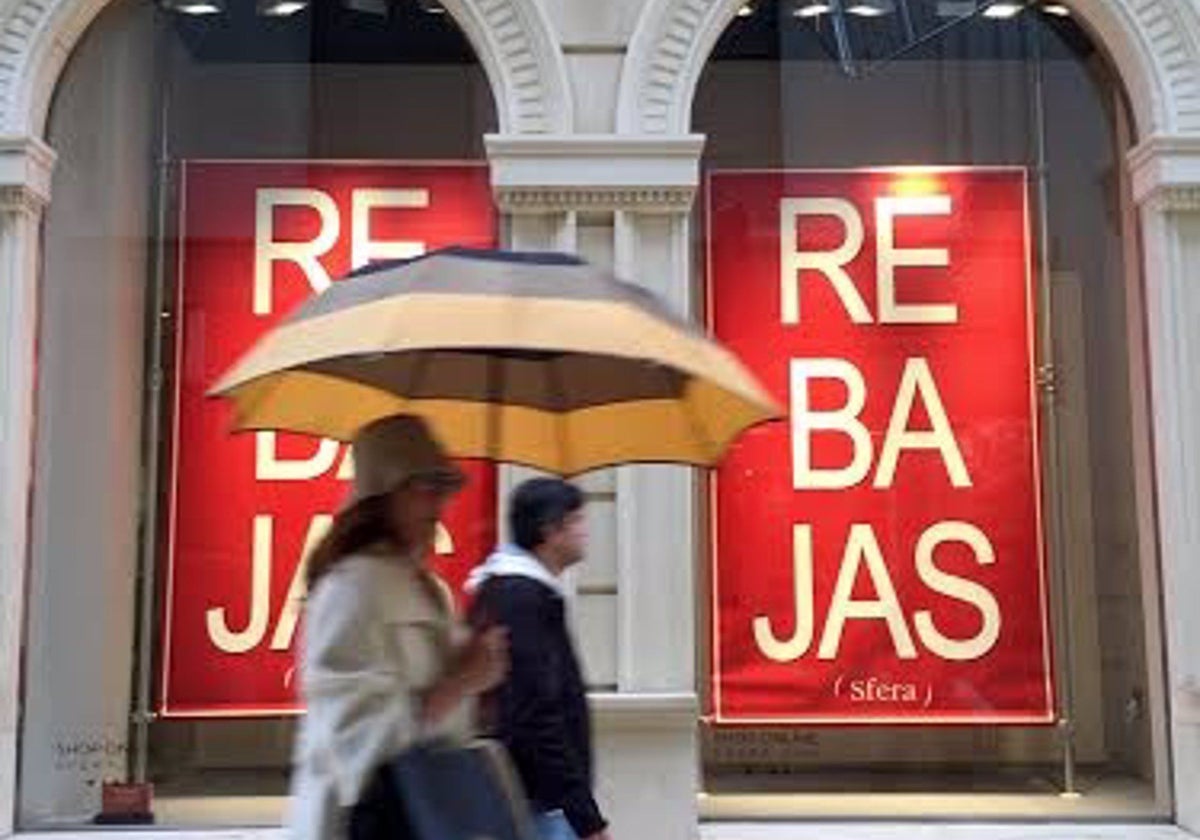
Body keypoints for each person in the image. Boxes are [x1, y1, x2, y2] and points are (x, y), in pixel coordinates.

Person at [288, 414, 508, 840]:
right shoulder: (348, 589)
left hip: (419, 814)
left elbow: (441, 723)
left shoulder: (429, 589)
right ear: (383, 495)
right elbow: (353, 734)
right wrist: (460, 683)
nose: (438, 504)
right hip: (366, 821)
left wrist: (474, 667)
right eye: (423, 488)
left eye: (442, 489)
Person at [466, 478, 611, 840]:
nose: (585, 531)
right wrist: (587, 819)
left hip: (530, 797)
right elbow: (538, 714)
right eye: (577, 520)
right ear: (551, 529)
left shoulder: (511, 591)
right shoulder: (523, 599)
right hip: (537, 802)